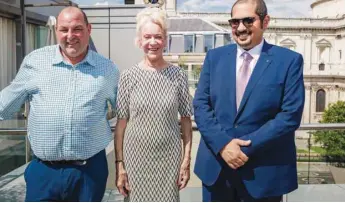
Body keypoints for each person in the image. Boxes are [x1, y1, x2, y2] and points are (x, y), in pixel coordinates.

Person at [0, 6, 119, 201]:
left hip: (89, 173)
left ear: (89, 29)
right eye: (64, 29)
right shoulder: (35, 62)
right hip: (43, 172)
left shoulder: (107, 69)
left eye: (77, 29)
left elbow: (126, 113)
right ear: (57, 31)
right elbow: (5, 104)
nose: (70, 35)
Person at [193, 0, 305, 201]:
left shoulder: (289, 61)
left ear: (265, 21)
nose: (241, 27)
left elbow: (290, 116)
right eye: (235, 22)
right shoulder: (214, 57)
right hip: (217, 169)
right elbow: (201, 106)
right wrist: (224, 145)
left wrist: (242, 149)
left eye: (248, 20)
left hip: (264, 172)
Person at [114, 7, 193, 202]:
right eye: (147, 37)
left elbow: (185, 120)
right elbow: (121, 125)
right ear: (139, 41)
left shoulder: (178, 76)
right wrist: (120, 165)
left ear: (165, 40)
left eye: (158, 37)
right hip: (135, 161)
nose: (152, 42)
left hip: (169, 160)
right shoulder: (128, 76)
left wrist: (186, 160)